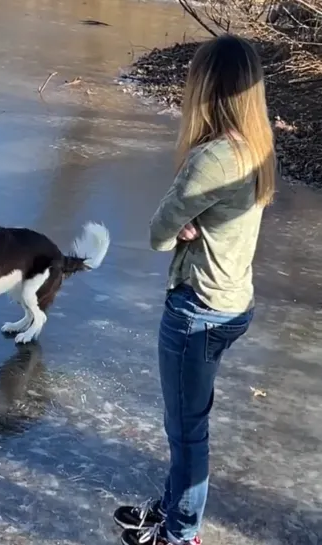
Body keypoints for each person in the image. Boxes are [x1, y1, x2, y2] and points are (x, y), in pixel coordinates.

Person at [113, 34, 276, 545]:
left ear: (207, 89)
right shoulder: (257, 146)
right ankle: (171, 508)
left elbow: (159, 233)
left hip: (198, 310)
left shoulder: (212, 159)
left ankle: (180, 534)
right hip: (233, 303)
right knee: (189, 423)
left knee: (187, 433)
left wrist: (180, 228)